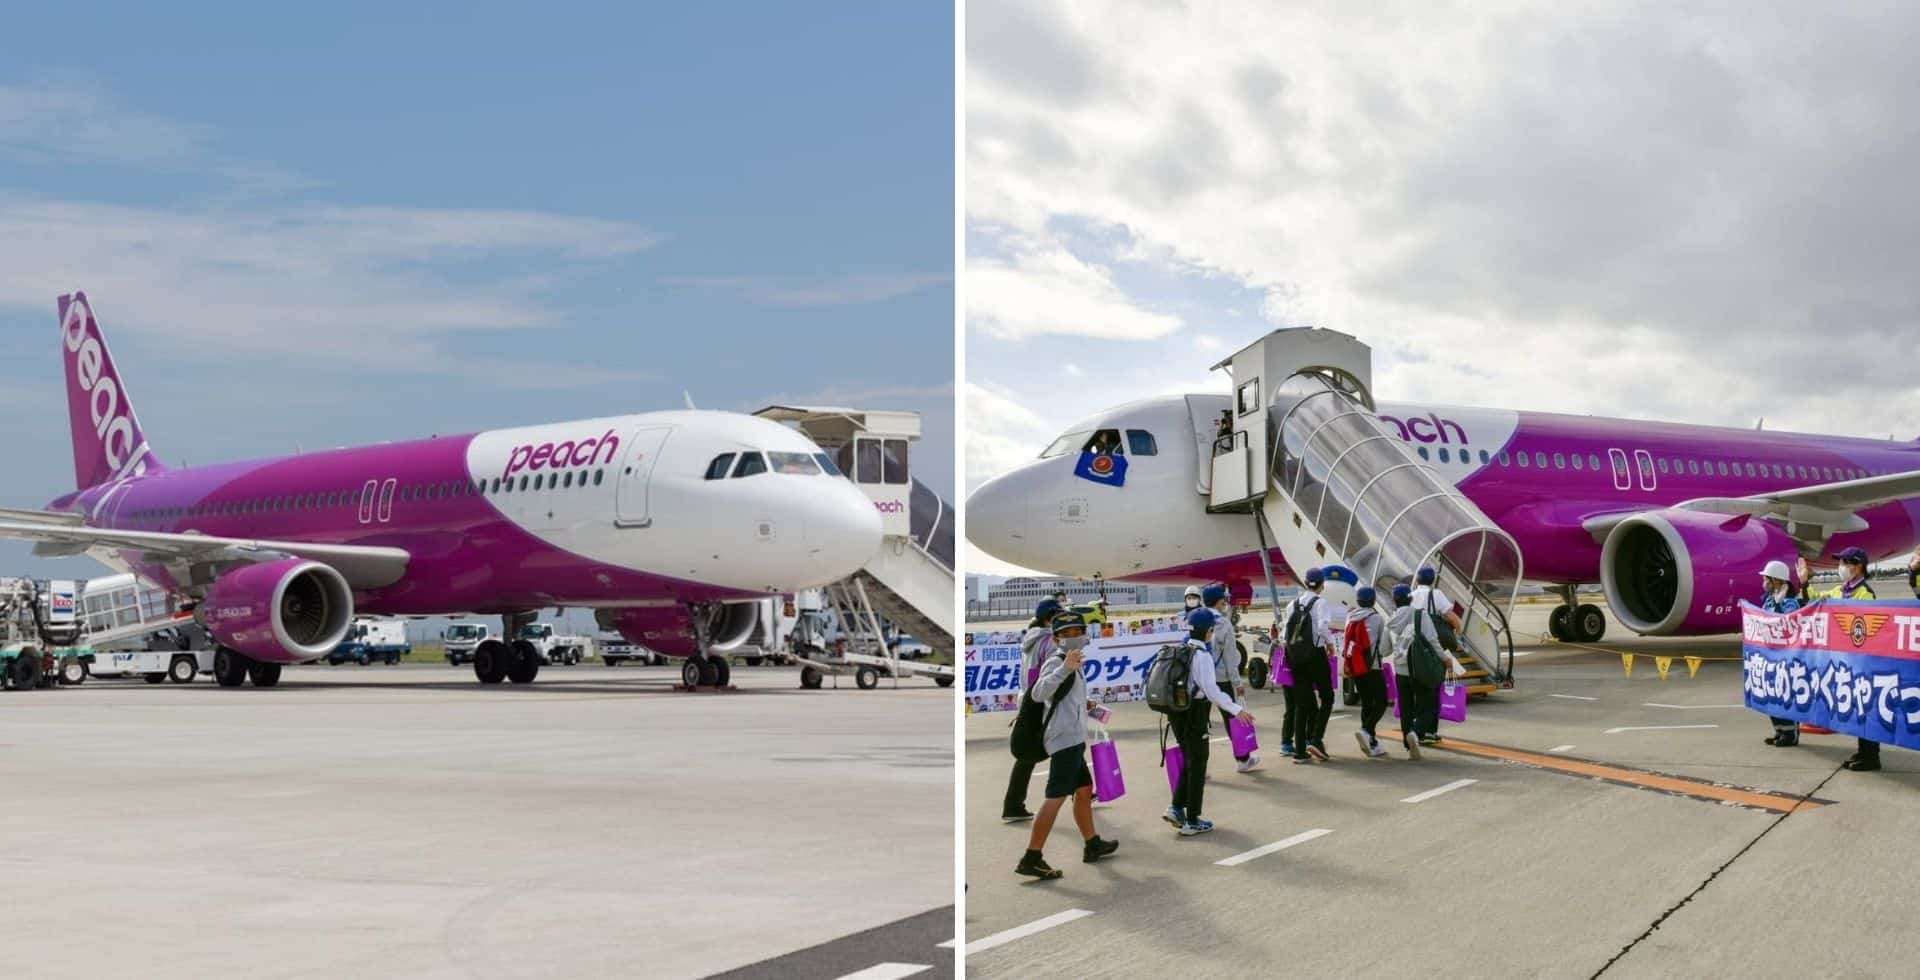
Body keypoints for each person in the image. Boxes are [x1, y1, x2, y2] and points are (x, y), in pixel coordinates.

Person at [1016, 612, 1120, 879]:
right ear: (1056, 639)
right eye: (1067, 634)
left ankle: (1092, 843)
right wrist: (1065, 669)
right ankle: (1032, 856)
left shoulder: (1075, 662)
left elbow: (1064, 697)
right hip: (1063, 740)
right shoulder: (1057, 660)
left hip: (1073, 737)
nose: (1074, 638)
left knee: (1084, 789)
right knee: (1055, 797)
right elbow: (1039, 693)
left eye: (1077, 632)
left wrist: (1086, 705)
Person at [1163, 607, 1255, 836]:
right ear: (1208, 632)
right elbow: (1212, 691)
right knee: (1199, 762)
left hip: (1177, 712)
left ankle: (1176, 808)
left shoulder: (1183, 649)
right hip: (1194, 713)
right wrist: (1236, 710)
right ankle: (1192, 819)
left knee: (1191, 760)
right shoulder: (1202, 656)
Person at [1797, 547, 1882, 771]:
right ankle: (1862, 751)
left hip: (1861, 660)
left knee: (1865, 708)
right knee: (1854, 708)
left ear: (1858, 566)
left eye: (1845, 562)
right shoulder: (1838, 591)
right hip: (1844, 660)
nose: (1841, 567)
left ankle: (1871, 756)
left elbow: (1866, 627)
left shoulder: (1866, 593)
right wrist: (1805, 584)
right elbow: (1814, 602)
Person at [1002, 598, 1062, 822]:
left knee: (1027, 756)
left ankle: (1013, 804)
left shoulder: (1030, 638)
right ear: (1050, 618)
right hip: (1041, 701)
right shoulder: (1048, 641)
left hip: (1027, 700)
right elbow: (1048, 676)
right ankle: (1083, 789)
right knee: (1065, 746)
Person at [1395, 568, 1466, 754]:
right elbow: (1449, 616)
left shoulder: (1412, 596)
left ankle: (1417, 731)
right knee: (1432, 688)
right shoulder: (1436, 594)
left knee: (1414, 694)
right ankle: (1425, 730)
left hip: (1410, 651)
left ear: (1417, 580)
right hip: (1432, 648)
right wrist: (1458, 631)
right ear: (1433, 580)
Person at [1280, 567, 1338, 763]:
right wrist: (1330, 643)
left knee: (1302, 704)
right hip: (1315, 655)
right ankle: (1316, 738)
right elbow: (1322, 626)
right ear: (1322, 584)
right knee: (1327, 697)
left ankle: (1300, 752)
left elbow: (1284, 633)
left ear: (1305, 582)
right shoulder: (1320, 603)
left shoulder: (1292, 604)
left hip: (1295, 656)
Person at [1202, 583, 1257, 772]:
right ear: (1220, 601)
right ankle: (1243, 759)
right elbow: (1230, 656)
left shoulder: (1196, 618)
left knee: (1200, 724)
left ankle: (1199, 767)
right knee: (1232, 718)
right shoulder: (1223, 623)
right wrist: (1237, 682)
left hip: (1199, 679)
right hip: (1220, 679)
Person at [1757, 560, 1804, 748]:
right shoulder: (1770, 598)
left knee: (1784, 693)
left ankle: (1790, 733)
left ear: (1775, 579)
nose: (1764, 582)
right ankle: (1779, 730)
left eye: (1766, 578)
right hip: (1770, 654)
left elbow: (1791, 623)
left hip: (1785, 656)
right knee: (1771, 694)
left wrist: (1779, 608)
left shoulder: (1790, 601)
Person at [1346, 586, 1392, 758]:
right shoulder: (1377, 619)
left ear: (1358, 600)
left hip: (1356, 667)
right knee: (1381, 701)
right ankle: (1366, 731)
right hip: (1373, 666)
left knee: (1366, 702)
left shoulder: (1350, 617)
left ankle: (1371, 741)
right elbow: (1383, 647)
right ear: (1373, 600)